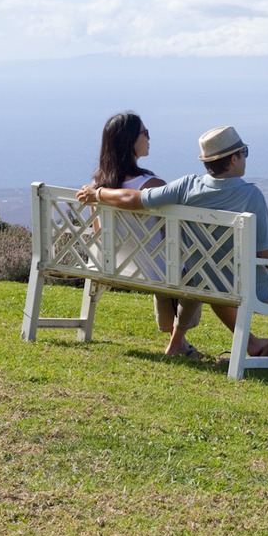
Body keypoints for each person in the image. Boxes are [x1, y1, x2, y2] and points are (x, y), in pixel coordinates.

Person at [77, 125, 268, 359]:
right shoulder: (251, 195)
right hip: (246, 285)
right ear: (233, 159)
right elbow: (265, 257)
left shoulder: (186, 186)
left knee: (214, 275)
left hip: (206, 280)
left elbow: (135, 198)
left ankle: (253, 345)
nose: (245, 158)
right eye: (243, 153)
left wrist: (97, 193)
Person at [91, 111, 204, 359]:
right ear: (130, 140)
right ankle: (177, 340)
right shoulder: (151, 186)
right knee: (200, 268)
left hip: (120, 265)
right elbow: (171, 234)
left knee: (167, 265)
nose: (149, 137)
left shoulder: (97, 186)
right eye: (145, 133)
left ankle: (179, 341)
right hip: (159, 269)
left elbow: (99, 235)